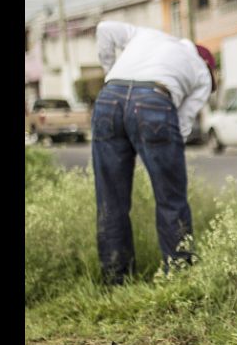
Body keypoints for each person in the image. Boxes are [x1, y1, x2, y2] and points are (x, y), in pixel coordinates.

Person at [92, 20, 216, 285]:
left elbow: (104, 28)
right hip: (155, 101)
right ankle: (179, 277)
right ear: (207, 64)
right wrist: (166, 159)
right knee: (171, 200)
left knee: (110, 199)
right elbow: (182, 127)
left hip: (108, 99)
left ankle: (116, 281)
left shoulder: (146, 34)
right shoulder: (202, 74)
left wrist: (110, 73)